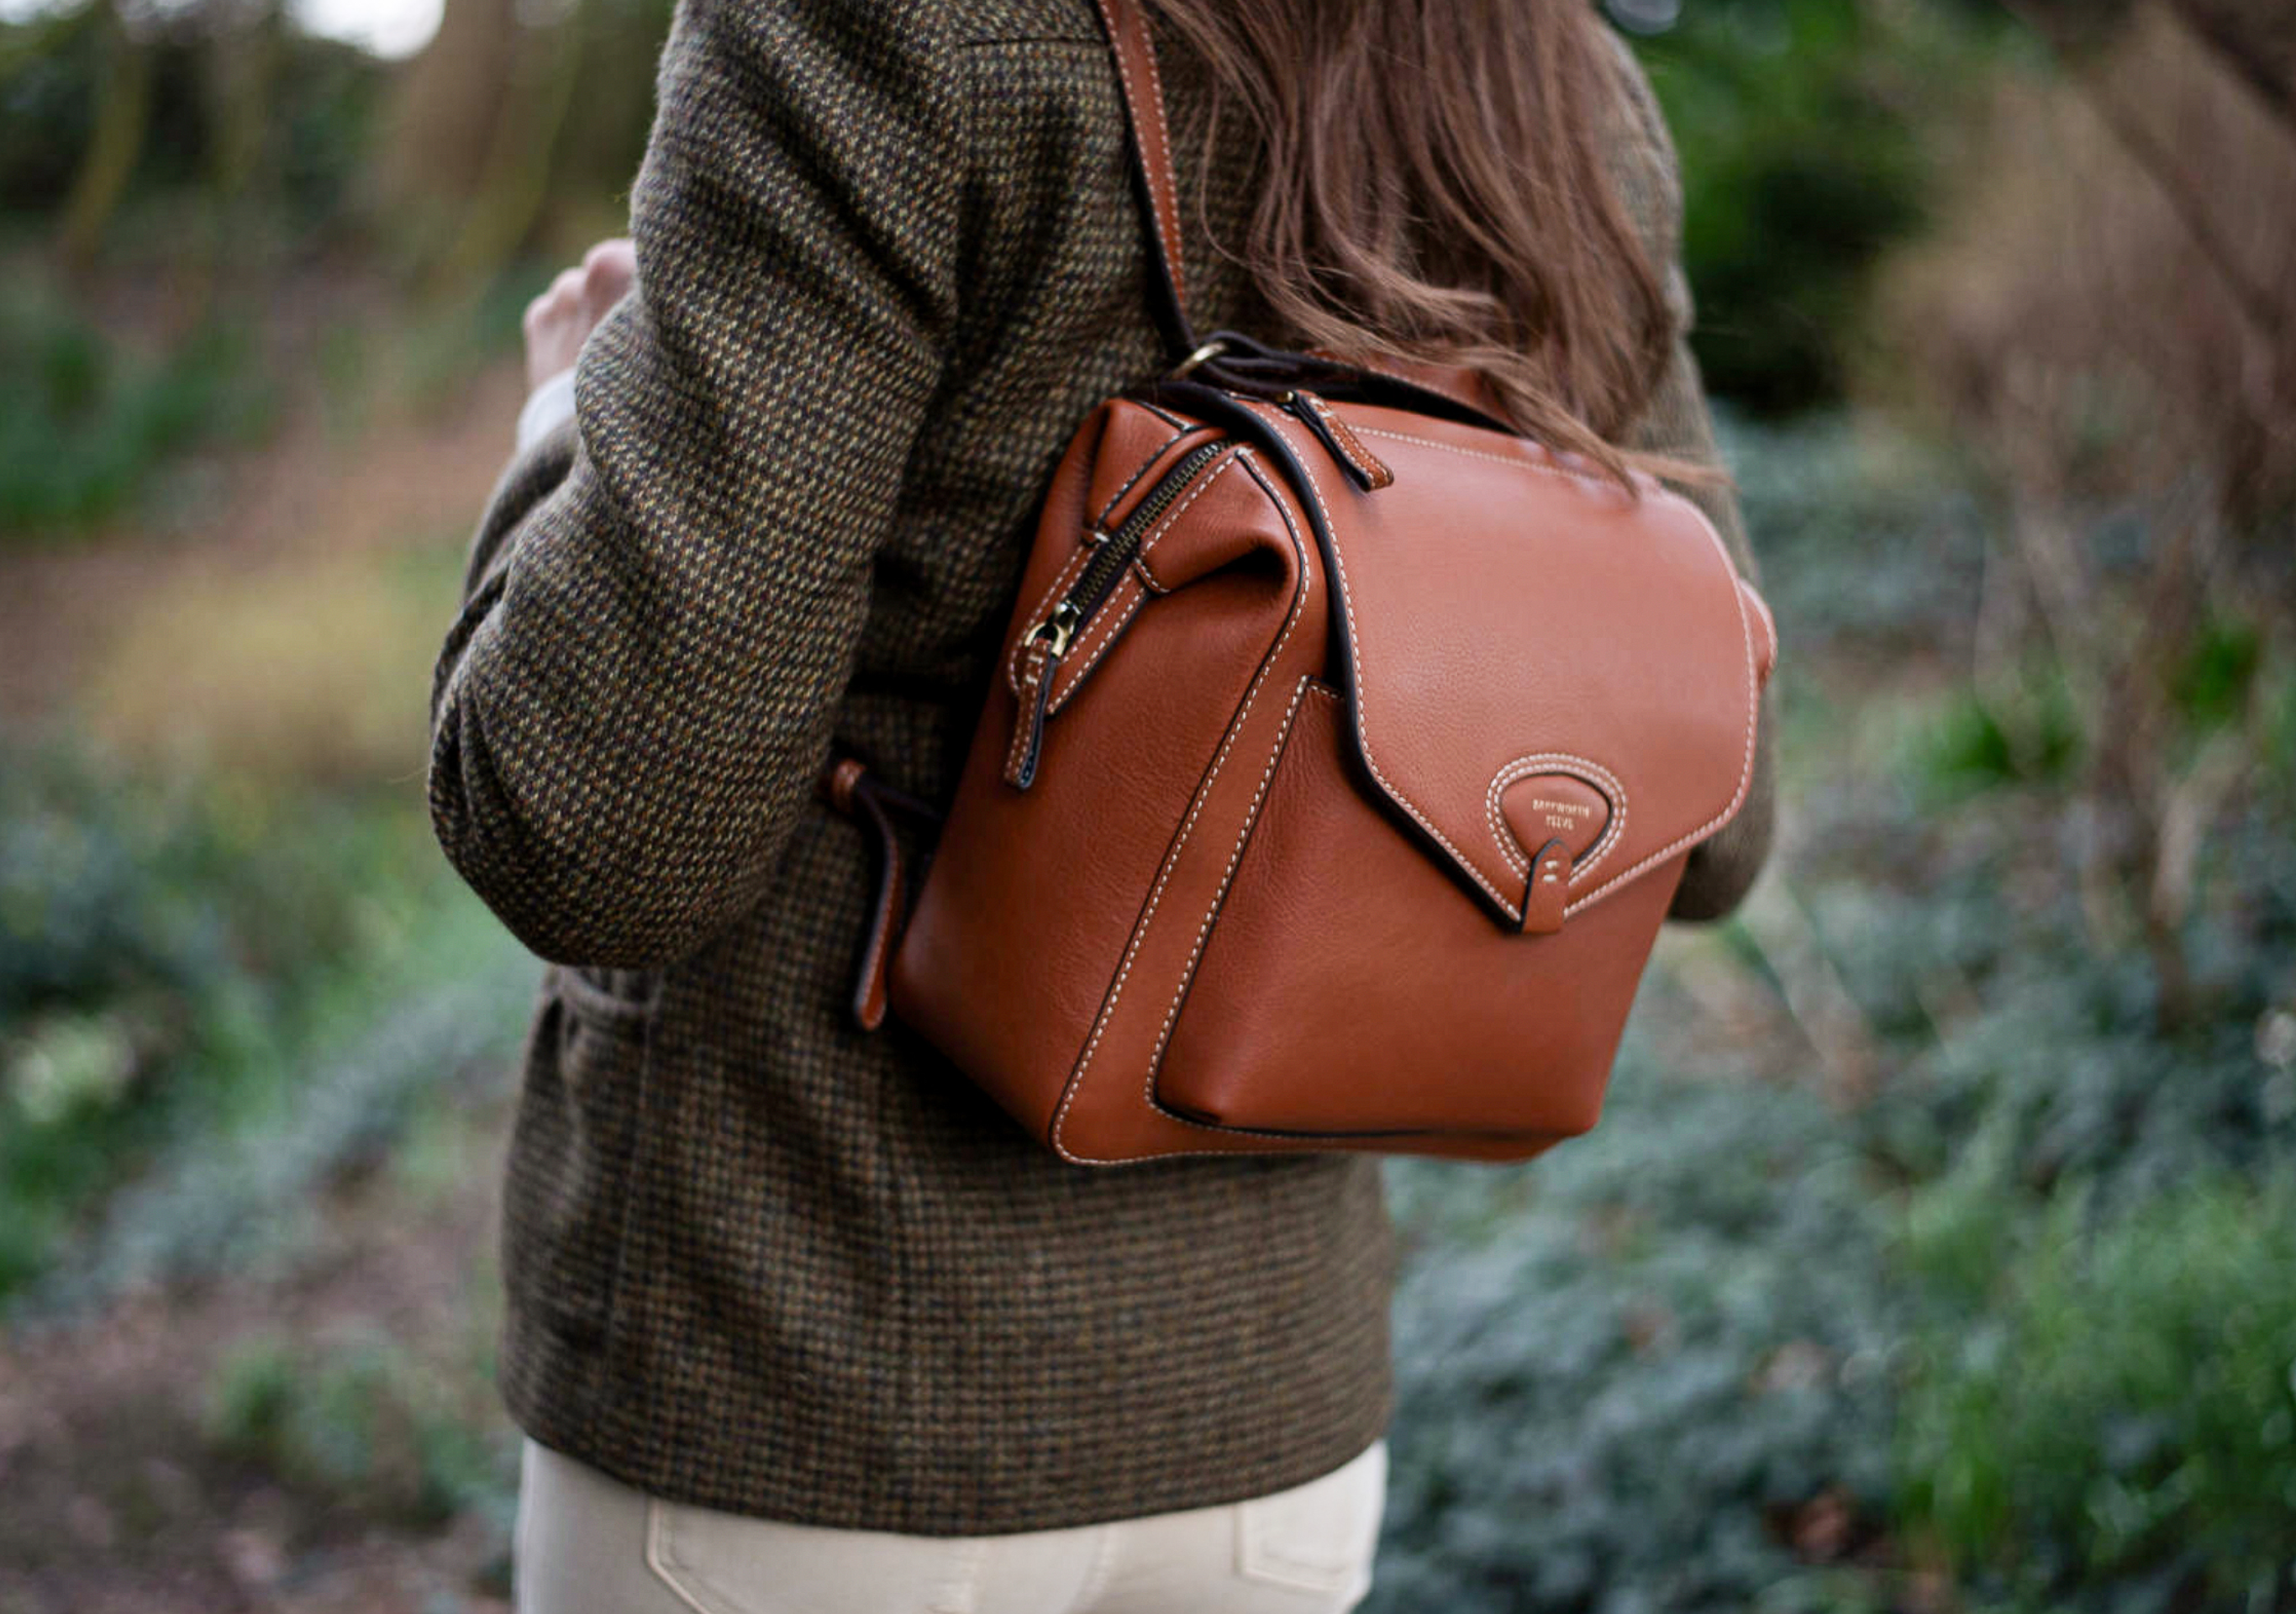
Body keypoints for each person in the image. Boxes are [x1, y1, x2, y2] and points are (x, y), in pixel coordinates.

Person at [427, 0, 1774, 1608]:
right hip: (1275, 1441)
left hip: (808, 1386)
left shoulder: (882, 31)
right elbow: (1720, 840)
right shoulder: (1562, 83)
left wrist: (568, 419)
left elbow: (599, 830)